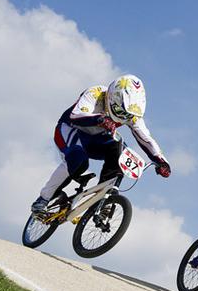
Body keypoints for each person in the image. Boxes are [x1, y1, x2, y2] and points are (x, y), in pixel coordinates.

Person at [31, 75, 171, 214]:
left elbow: (145, 138)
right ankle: (44, 198)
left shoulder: (132, 113)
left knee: (121, 152)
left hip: (95, 139)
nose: (123, 117)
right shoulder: (96, 93)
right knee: (78, 159)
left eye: (127, 115)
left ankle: (103, 199)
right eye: (120, 112)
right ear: (112, 97)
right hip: (71, 129)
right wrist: (99, 119)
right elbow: (76, 115)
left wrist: (161, 161)